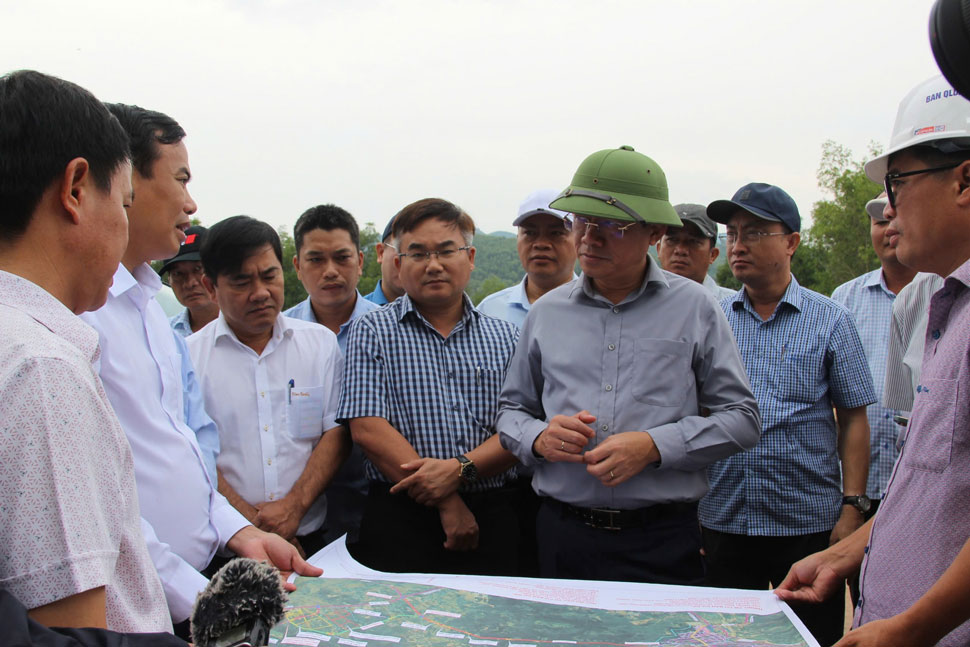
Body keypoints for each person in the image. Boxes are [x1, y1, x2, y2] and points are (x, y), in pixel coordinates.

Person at [80, 103, 320, 632]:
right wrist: (205, 596)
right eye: (181, 179)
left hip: (192, 585)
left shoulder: (148, 310)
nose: (191, 203)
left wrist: (240, 534)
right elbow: (99, 503)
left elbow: (189, 450)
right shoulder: (81, 317)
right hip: (138, 605)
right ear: (124, 180)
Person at [496, 145, 761, 586]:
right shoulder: (546, 313)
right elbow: (511, 411)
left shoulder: (695, 308)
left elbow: (742, 419)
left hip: (662, 540)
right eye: (581, 220)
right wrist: (538, 438)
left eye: (612, 225)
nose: (589, 238)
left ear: (654, 232)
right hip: (562, 536)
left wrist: (654, 446)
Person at [777, 75, 970, 647]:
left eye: (897, 182)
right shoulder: (940, 300)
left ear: (964, 180)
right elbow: (929, 481)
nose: (887, 207)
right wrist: (849, 551)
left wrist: (912, 627)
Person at [0, 70, 170, 632]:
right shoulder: (41, 371)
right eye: (123, 200)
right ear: (75, 189)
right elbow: (69, 632)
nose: (124, 224)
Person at [701, 182, 875, 646]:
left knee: (806, 639)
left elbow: (853, 419)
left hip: (805, 524)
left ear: (792, 242)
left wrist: (852, 507)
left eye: (755, 233)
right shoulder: (712, 318)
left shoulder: (830, 319)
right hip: (723, 517)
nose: (738, 245)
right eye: (733, 233)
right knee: (722, 638)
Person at [337, 198, 521, 575]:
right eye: (418, 254)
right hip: (400, 516)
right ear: (399, 264)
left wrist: (460, 470)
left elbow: (518, 427)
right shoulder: (371, 331)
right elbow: (368, 428)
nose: (433, 265)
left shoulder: (507, 337)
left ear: (470, 257)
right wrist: (447, 502)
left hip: (496, 514)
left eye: (446, 251)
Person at [188, 216, 348, 558]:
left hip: (309, 539)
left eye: (269, 276)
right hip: (226, 549)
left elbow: (335, 433)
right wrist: (252, 528)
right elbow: (193, 454)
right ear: (211, 287)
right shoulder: (188, 358)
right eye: (241, 282)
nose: (260, 293)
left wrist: (294, 507)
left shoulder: (319, 344)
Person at [284, 204, 379, 544]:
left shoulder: (389, 331)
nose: (330, 271)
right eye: (315, 260)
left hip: (377, 503)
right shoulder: (279, 335)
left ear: (360, 261)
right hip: (300, 513)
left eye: (342, 258)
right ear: (297, 267)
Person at [830, 192, 916, 516]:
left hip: (920, 487)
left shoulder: (944, 292)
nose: (888, 228)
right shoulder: (844, 300)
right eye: (879, 222)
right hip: (855, 489)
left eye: (894, 218)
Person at [477, 189, 576, 327]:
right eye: (530, 233)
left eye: (556, 233)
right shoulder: (488, 313)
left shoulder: (599, 311)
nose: (541, 244)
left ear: (578, 239)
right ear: (518, 238)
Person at [656, 203, 734, 299]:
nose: (680, 250)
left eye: (693, 242)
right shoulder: (641, 300)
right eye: (672, 240)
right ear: (659, 249)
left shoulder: (733, 305)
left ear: (713, 255)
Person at [159, 225, 219, 337]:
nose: (190, 283)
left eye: (198, 269)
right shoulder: (164, 334)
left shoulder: (247, 328)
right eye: (178, 274)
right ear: (169, 280)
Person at [363, 217, 404, 305]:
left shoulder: (434, 311)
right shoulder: (359, 312)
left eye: (418, 254)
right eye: (400, 249)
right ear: (381, 252)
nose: (407, 260)